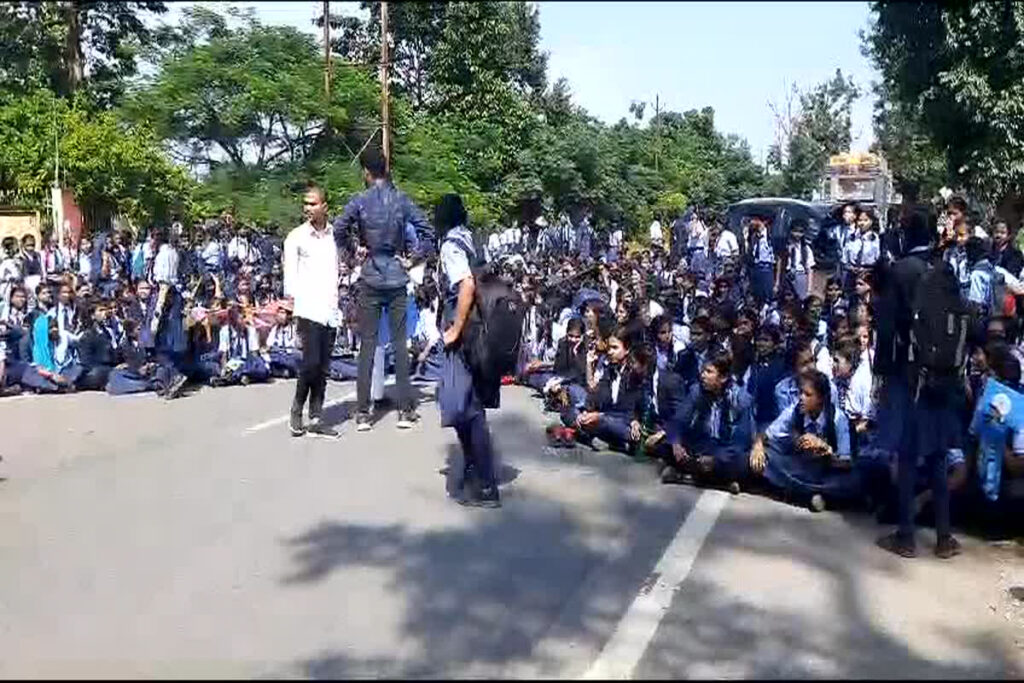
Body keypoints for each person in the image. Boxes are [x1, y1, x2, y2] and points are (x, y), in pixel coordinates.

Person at [873, 212, 963, 559]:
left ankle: (906, 536)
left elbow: (885, 327)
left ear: (907, 234)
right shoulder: (944, 268)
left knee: (908, 454)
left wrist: (883, 372)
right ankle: (943, 538)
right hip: (944, 374)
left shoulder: (902, 270)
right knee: (938, 455)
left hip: (910, 375)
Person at [334, 146, 432, 432]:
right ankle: (404, 411)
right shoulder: (401, 200)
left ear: (366, 172)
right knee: (400, 344)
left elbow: (340, 229)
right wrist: (413, 258)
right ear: (386, 170)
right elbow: (427, 232)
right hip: (397, 275)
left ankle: (364, 413)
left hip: (371, 275)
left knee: (368, 344)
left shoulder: (360, 201)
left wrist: (354, 252)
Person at [436, 193, 501, 508]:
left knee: (465, 408)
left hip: (466, 335)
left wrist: (455, 330)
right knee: (468, 406)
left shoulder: (451, 246)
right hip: (482, 333)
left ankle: (485, 484)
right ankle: (476, 469)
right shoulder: (473, 240)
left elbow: (466, 285)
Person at [284, 185, 341, 438]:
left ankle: (317, 416)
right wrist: (291, 308)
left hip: (330, 308)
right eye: (305, 203)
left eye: (313, 203)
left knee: (324, 366)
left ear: (325, 206)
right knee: (311, 362)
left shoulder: (335, 236)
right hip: (308, 308)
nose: (308, 208)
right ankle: (297, 407)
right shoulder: (296, 237)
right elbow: (290, 277)